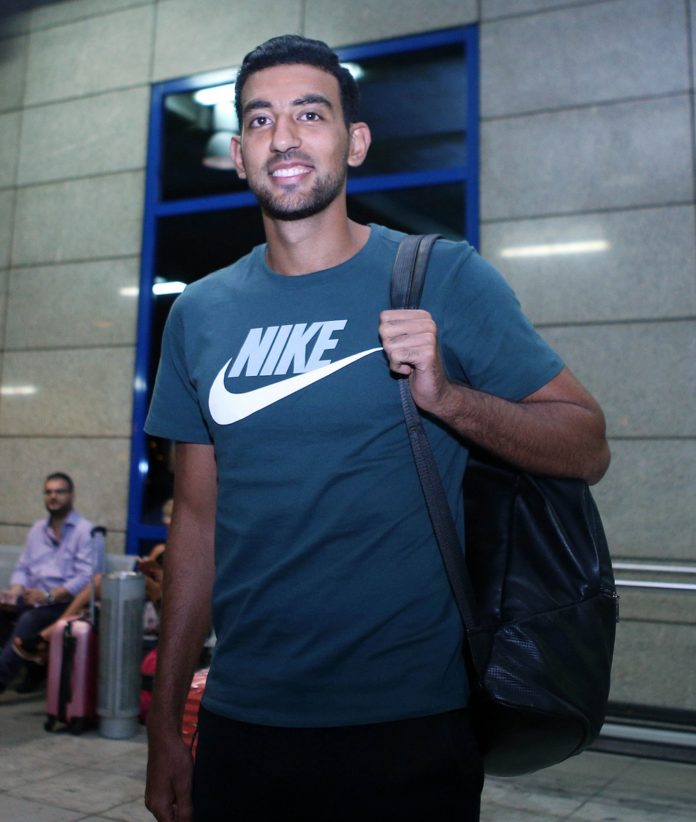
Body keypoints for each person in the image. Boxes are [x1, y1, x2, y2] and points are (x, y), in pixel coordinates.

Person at [144, 34, 610, 822]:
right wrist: (164, 726)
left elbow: (586, 442)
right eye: (259, 120)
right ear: (239, 154)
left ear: (354, 142)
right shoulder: (200, 312)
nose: (283, 137)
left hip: (411, 727)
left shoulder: (441, 276)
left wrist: (450, 399)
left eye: (309, 114)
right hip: (242, 720)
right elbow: (195, 521)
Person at [0, 472, 95, 694]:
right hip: (33, 598)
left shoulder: (86, 531)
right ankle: (34, 667)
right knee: (4, 610)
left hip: (65, 604)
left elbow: (86, 577)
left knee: (29, 619)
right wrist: (16, 590)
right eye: (49, 492)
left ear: (72, 495)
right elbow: (23, 568)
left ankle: (2, 678)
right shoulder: (37, 529)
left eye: (59, 491)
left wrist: (49, 596)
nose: (53, 496)